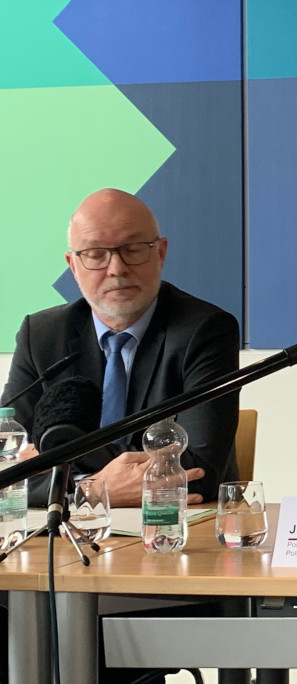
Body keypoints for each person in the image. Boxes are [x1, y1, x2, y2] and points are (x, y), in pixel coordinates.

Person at [3, 188, 240, 507]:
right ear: (73, 265)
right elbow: (8, 469)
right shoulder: (41, 335)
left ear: (160, 253)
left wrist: (59, 462)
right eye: (96, 254)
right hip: (63, 535)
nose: (116, 268)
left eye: (132, 249)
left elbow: (198, 471)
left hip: (170, 534)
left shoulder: (204, 330)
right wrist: (95, 489)